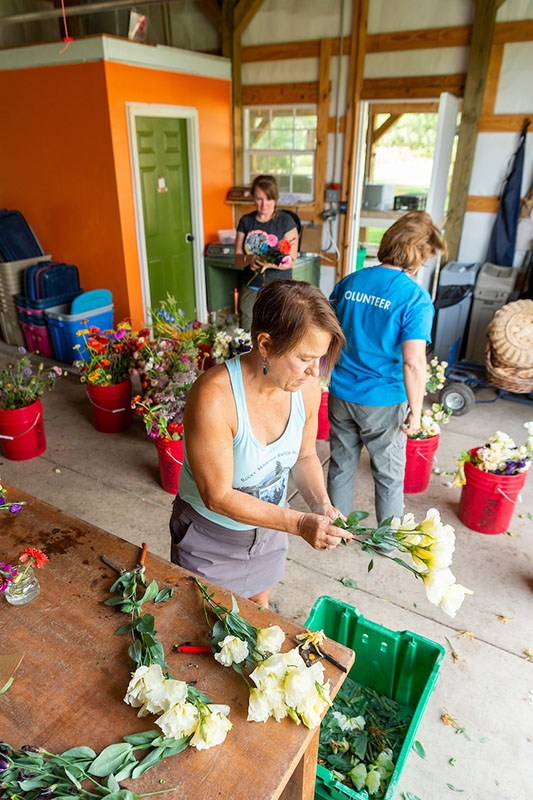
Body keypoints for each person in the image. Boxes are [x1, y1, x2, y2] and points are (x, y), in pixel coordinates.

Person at [169, 280, 351, 607]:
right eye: (304, 358)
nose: (314, 371)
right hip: (211, 539)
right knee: (204, 622)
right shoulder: (214, 397)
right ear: (265, 344)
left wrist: (320, 505)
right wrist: (298, 522)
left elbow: (306, 455)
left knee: (260, 614)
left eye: (319, 359)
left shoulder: (305, 387)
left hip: (269, 530)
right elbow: (218, 496)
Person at [327, 210, 445, 524]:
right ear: (418, 254)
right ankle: (389, 542)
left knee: (341, 465)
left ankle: (337, 531)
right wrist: (416, 412)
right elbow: (414, 361)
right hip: (383, 400)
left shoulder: (350, 282)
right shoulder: (414, 298)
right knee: (389, 475)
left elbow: (326, 329)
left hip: (341, 393)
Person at [234, 175, 299, 330]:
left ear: (275, 199)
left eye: (268, 199)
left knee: (276, 332)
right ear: (253, 198)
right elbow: (236, 258)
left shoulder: (286, 222)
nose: (264, 205)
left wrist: (269, 263)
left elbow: (292, 260)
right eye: (259, 199)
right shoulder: (246, 221)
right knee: (247, 332)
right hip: (251, 285)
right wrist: (247, 259)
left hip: (278, 289)